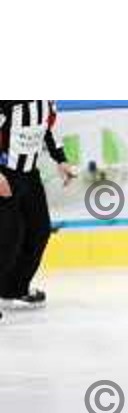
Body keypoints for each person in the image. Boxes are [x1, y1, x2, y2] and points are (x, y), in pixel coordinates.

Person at [0, 100, 77, 311]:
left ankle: (14, 288)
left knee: (39, 230)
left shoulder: (47, 100)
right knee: (8, 236)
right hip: (4, 174)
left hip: (30, 175)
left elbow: (47, 129)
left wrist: (61, 160)